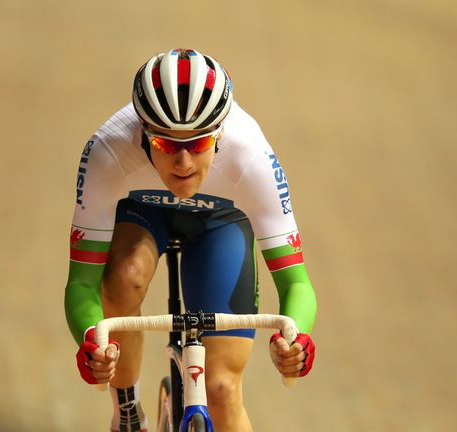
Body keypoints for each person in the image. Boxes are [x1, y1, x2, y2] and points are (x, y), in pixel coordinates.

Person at [65, 48, 317, 432]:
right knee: (126, 276)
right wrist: (91, 339)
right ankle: (128, 408)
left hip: (220, 221)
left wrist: (296, 338)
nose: (182, 163)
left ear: (219, 135)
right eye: (167, 145)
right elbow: (82, 282)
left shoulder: (251, 158)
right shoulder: (108, 150)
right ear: (144, 134)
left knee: (221, 389)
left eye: (197, 145)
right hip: (143, 213)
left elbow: (296, 282)